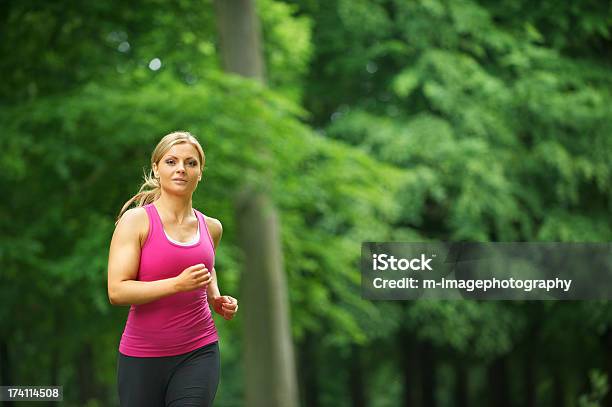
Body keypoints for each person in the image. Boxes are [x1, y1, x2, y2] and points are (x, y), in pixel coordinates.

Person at [107, 131, 238, 407]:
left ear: (200, 172)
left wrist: (215, 297)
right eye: (171, 161)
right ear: (156, 168)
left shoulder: (211, 227)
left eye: (191, 163)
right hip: (142, 356)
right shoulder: (136, 222)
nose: (181, 168)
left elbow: (206, 267)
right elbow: (117, 290)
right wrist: (176, 284)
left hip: (199, 351)